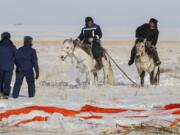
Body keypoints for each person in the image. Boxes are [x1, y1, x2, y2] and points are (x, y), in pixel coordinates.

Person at [0, 32, 16, 99]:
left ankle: (0, 93)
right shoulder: (12, 46)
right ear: (9, 37)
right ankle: (6, 94)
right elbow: (16, 57)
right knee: (7, 81)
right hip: (9, 67)